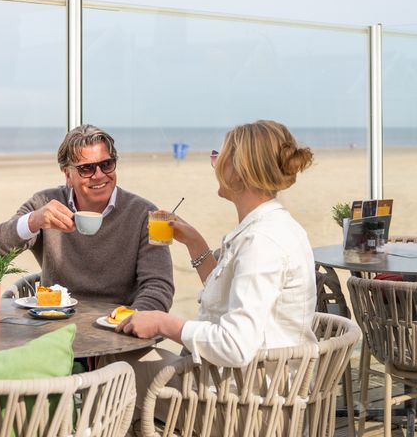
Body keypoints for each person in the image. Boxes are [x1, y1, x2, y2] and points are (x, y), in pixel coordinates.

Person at [114, 120, 316, 390]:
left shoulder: (261, 242)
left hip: (245, 399)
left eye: (219, 156)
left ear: (241, 171)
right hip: (248, 382)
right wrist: (195, 243)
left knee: (117, 368)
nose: (215, 163)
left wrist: (163, 323)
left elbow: (235, 345)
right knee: (129, 365)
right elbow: (228, 298)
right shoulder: (276, 227)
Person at [0, 124, 174, 312]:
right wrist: (32, 222)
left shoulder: (144, 214)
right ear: (67, 174)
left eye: (106, 164)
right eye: (86, 169)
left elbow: (159, 287)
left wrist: (129, 320)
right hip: (53, 322)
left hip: (119, 325)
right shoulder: (45, 204)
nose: (99, 175)